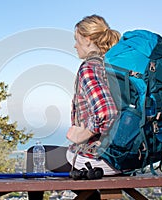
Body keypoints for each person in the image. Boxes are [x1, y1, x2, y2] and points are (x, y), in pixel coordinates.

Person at [27, 14, 121, 200]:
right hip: (124, 159)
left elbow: (108, 112)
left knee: (34, 155)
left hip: (101, 159)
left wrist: (84, 133)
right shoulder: (115, 67)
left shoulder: (91, 67)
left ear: (87, 40)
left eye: (76, 40)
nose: (75, 45)